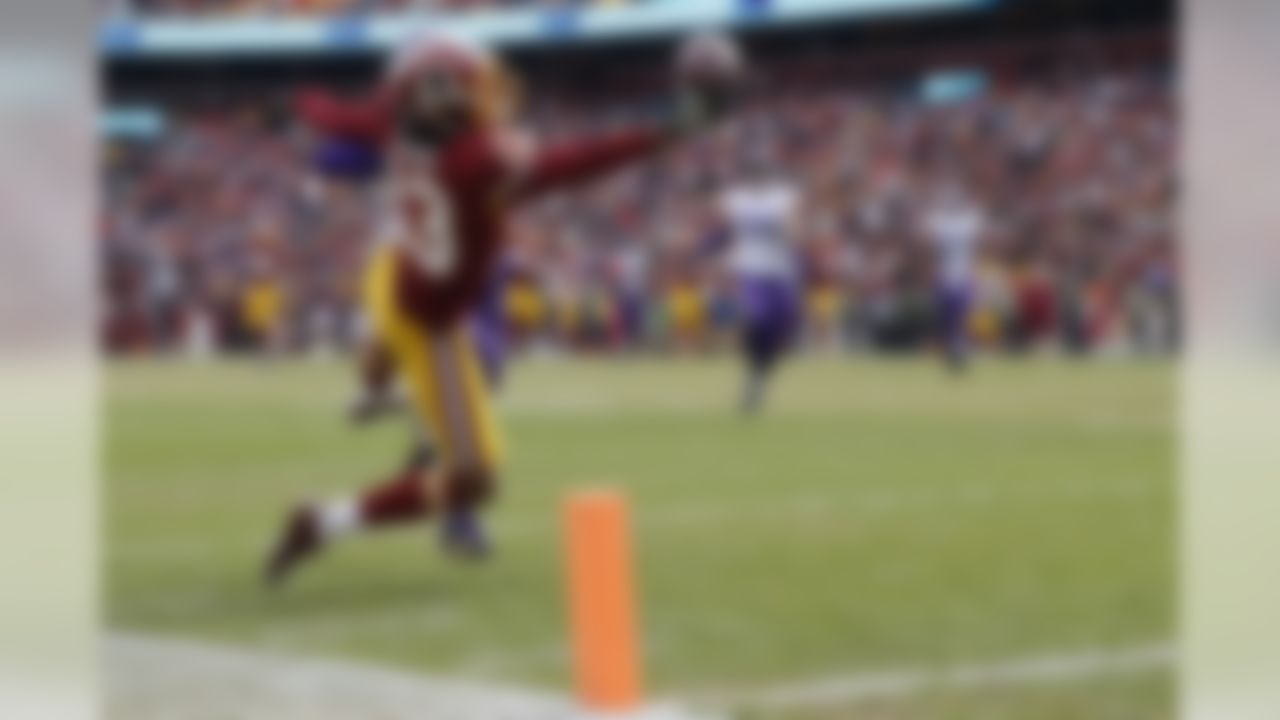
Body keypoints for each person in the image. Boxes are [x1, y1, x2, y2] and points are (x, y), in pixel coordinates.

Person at [264, 31, 742, 586]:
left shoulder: (394, 124)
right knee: (473, 479)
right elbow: (578, 162)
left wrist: (293, 104)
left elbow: (339, 115)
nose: (488, 94)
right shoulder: (476, 161)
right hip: (429, 318)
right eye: (475, 83)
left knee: (387, 359)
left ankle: (381, 384)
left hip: (390, 271)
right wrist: (668, 130)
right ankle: (323, 521)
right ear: (440, 97)